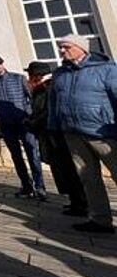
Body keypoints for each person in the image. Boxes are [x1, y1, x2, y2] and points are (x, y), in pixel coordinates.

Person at [49, 34, 117, 234]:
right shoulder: (60, 74)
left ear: (82, 48)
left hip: (103, 132)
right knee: (88, 178)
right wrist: (54, 127)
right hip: (73, 133)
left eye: (66, 47)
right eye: (60, 47)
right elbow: (54, 103)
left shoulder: (106, 69)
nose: (62, 50)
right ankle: (100, 219)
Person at [24, 60, 87, 216]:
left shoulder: (48, 89)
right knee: (62, 170)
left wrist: (31, 122)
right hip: (50, 135)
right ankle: (75, 201)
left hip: (56, 136)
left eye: (30, 75)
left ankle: (81, 203)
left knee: (68, 170)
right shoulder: (42, 88)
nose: (28, 79)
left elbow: (47, 112)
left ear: (37, 76)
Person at [0, 55, 46, 199]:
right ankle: (26, 186)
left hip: (24, 121)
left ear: (3, 63)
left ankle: (40, 187)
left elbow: (30, 96)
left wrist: (30, 114)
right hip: (6, 123)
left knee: (32, 153)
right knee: (16, 155)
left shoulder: (18, 78)